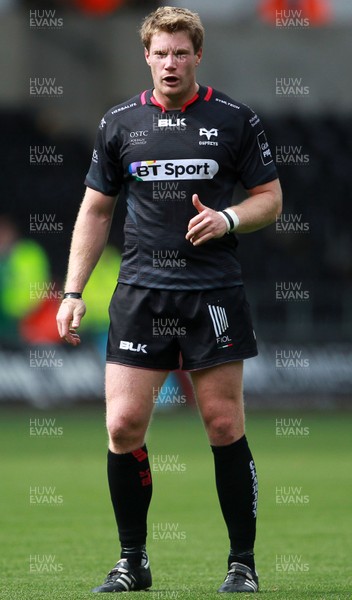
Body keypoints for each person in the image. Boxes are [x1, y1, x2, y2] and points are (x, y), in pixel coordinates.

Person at [56, 5, 282, 594]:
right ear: (146, 56)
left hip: (212, 294)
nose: (170, 62)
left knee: (223, 422)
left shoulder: (234, 119)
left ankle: (242, 563)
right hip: (141, 292)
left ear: (197, 55)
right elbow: (95, 210)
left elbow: (271, 199)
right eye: (160, 52)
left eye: (181, 52)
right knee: (124, 425)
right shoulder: (120, 122)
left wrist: (229, 218)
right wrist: (73, 291)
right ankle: (132, 562)